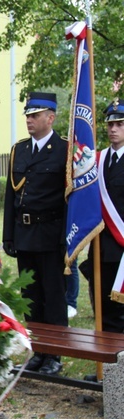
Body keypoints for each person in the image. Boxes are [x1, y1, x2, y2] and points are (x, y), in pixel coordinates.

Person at [3, 92, 68, 375]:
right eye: (27, 116)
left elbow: (70, 197)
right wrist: (9, 234)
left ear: (50, 118)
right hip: (25, 233)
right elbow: (11, 197)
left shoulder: (65, 149)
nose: (29, 120)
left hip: (52, 234)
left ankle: (55, 354)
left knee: (53, 296)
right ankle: (38, 350)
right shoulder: (20, 149)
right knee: (31, 296)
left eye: (35, 116)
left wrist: (69, 239)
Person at [82, 98, 124, 334]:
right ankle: (106, 371)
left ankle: (120, 371)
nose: (113, 129)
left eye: (120, 124)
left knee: (121, 313)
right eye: (110, 124)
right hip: (101, 246)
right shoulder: (97, 160)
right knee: (103, 309)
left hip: (122, 248)